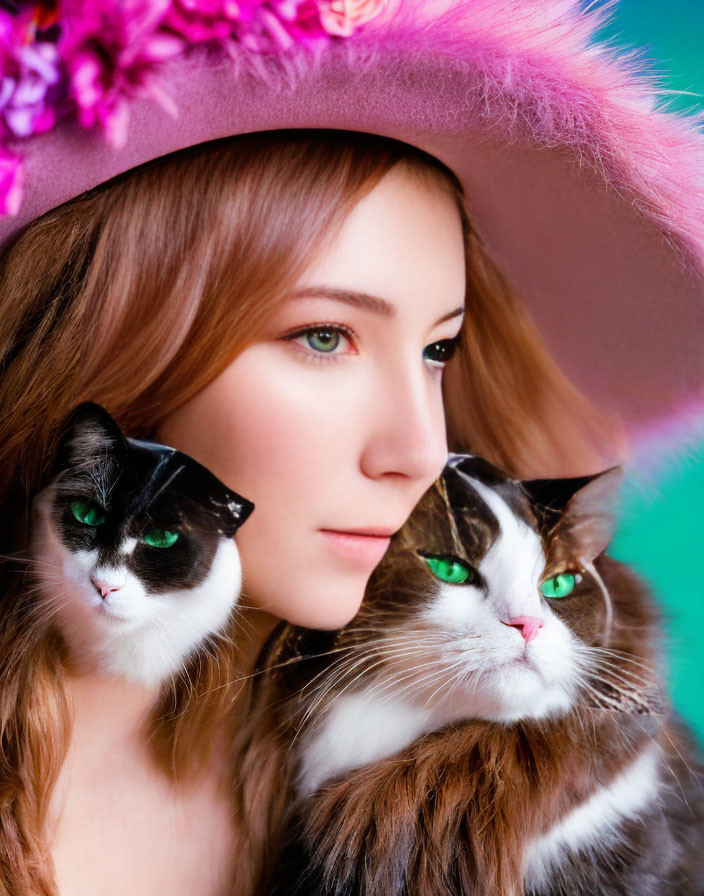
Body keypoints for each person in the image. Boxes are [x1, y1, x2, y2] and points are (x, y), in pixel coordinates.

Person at [0, 3, 702, 896]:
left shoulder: (464, 769)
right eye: (325, 337)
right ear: (121, 348)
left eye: (437, 350)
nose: (420, 451)